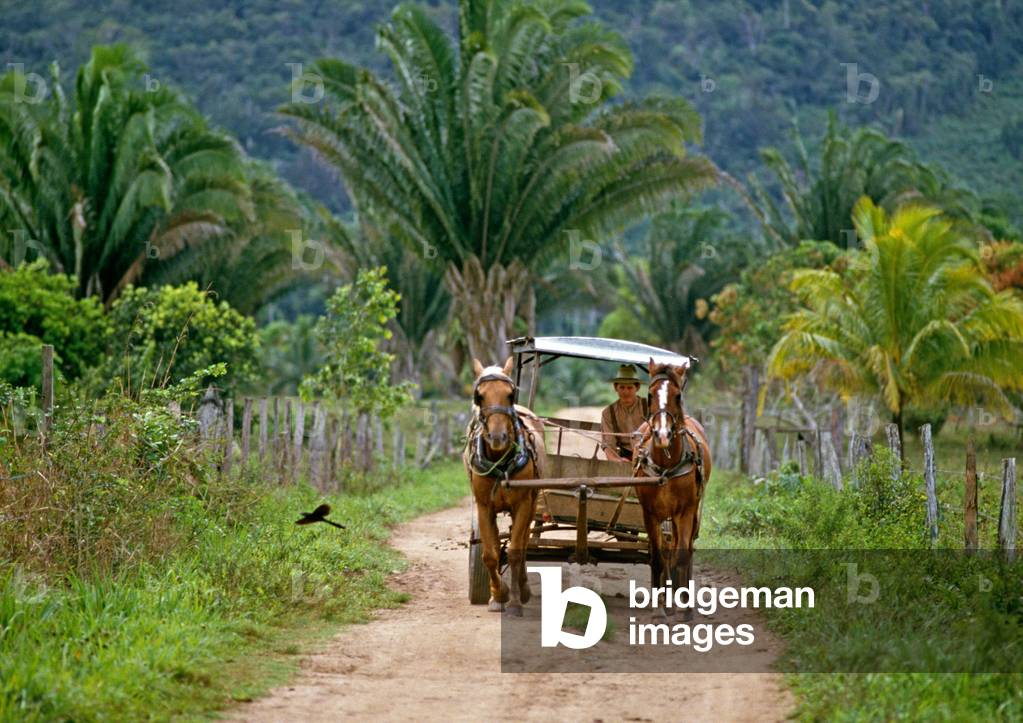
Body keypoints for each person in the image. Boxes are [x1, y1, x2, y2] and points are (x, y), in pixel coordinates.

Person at [600, 364, 648, 462]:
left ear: (637, 387)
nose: (626, 392)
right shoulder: (608, 413)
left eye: (629, 388)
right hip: (625, 458)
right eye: (622, 387)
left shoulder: (649, 407)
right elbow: (608, 442)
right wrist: (615, 459)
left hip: (648, 456)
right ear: (615, 387)